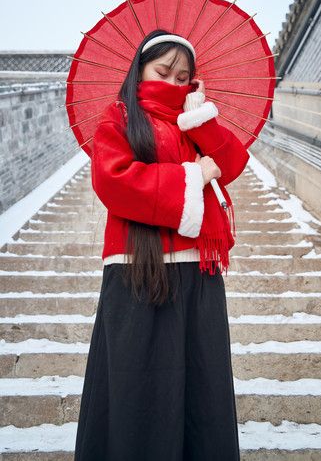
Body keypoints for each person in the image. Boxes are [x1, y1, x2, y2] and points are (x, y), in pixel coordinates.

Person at [74, 29, 249, 461]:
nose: (172, 84)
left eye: (182, 77)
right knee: (138, 389)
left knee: (201, 388)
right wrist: (195, 176)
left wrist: (200, 118)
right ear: (140, 70)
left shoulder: (194, 124)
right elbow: (113, 181)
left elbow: (232, 163)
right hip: (138, 272)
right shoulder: (117, 119)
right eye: (163, 72)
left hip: (199, 275)